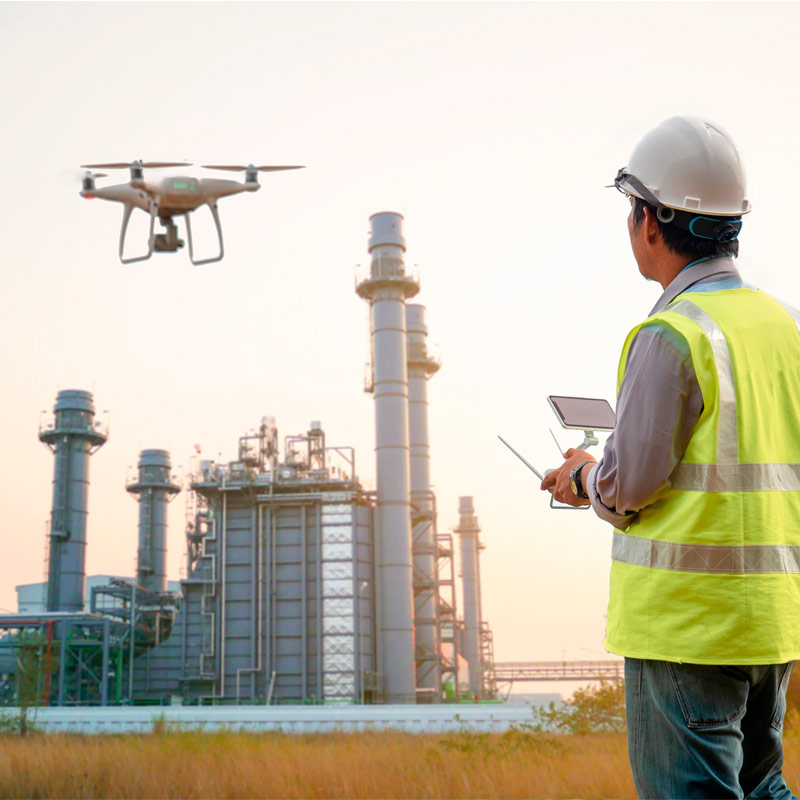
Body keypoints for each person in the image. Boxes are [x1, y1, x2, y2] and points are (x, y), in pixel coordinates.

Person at [542, 115, 800, 799]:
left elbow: (628, 487)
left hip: (687, 627)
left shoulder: (670, 333)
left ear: (650, 221)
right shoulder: (784, 326)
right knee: (763, 785)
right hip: (769, 619)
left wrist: (578, 475)